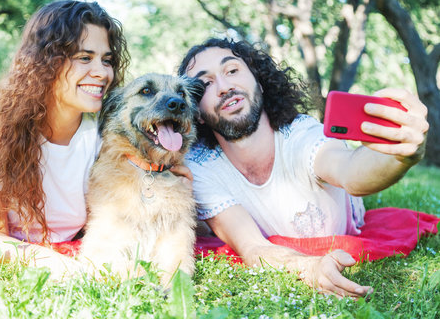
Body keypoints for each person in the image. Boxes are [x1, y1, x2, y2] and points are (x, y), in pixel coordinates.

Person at [177, 38, 429, 297]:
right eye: (205, 83)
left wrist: (400, 156)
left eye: (232, 71)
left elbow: (351, 171)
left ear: (259, 84)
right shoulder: (201, 167)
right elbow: (252, 247)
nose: (224, 86)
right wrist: (308, 266)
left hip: (350, 211)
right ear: (195, 112)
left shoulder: (301, 134)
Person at [0, 0, 129, 278]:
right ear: (45, 60)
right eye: (84, 58)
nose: (102, 72)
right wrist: (70, 270)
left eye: (106, 60)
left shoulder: (107, 129)